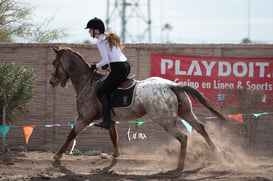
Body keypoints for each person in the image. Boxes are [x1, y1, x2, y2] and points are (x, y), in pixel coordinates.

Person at [85, 17, 131, 130]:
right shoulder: (107, 38)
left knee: (101, 91)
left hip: (118, 68)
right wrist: (107, 65)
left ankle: (107, 121)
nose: (89, 32)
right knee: (107, 87)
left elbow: (105, 60)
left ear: (96, 30)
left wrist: (94, 66)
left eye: (90, 29)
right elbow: (111, 58)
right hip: (124, 65)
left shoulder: (101, 41)